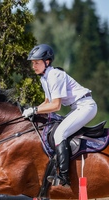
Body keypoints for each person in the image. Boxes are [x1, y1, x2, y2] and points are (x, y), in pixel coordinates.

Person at [22, 44, 97, 187]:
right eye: (33, 63)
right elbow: (46, 103)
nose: (34, 66)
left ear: (47, 62)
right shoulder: (44, 78)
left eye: (37, 63)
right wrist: (32, 111)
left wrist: (35, 110)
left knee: (59, 134)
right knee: (55, 130)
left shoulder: (55, 75)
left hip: (86, 106)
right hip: (77, 107)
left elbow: (56, 106)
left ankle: (64, 176)